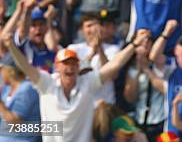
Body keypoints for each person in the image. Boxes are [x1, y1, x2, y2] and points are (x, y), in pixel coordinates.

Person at [3, 29, 150, 142]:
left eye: (73, 63)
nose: (70, 67)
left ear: (78, 67)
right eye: (65, 63)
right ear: (57, 67)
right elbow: (25, 66)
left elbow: (115, 64)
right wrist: (11, 45)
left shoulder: (88, 82)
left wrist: (134, 44)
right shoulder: (47, 83)